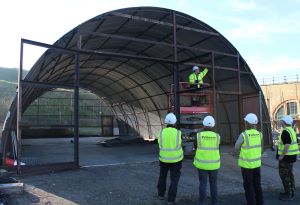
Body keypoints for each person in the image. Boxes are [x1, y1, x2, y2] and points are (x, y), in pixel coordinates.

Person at [235, 113, 264, 205]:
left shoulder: (244, 135)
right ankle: (260, 202)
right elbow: (261, 149)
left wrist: (238, 153)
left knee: (248, 185)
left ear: (247, 123)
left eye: (245, 122)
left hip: (246, 165)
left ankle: (251, 203)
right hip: (257, 164)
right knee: (257, 184)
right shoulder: (260, 134)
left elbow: (236, 147)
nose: (244, 123)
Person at [157, 113, 183, 204]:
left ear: (165, 122)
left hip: (163, 159)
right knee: (174, 180)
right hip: (176, 160)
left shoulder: (161, 132)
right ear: (175, 122)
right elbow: (180, 144)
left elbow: (160, 144)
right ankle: (171, 199)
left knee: (162, 177)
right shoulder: (178, 133)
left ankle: (161, 194)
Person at [194, 115, 220, 205]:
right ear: (213, 125)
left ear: (204, 124)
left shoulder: (199, 135)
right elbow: (218, 148)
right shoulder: (217, 136)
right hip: (214, 165)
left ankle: (201, 202)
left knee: (203, 184)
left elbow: (195, 146)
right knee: (213, 184)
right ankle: (215, 202)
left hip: (202, 165)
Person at [277, 115, 299, 201]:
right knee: (290, 174)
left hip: (286, 157)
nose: (280, 121)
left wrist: (282, 156)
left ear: (284, 122)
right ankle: (291, 191)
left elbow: (287, 144)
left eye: (282, 120)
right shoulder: (291, 130)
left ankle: (288, 194)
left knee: (284, 175)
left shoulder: (286, 131)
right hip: (292, 156)